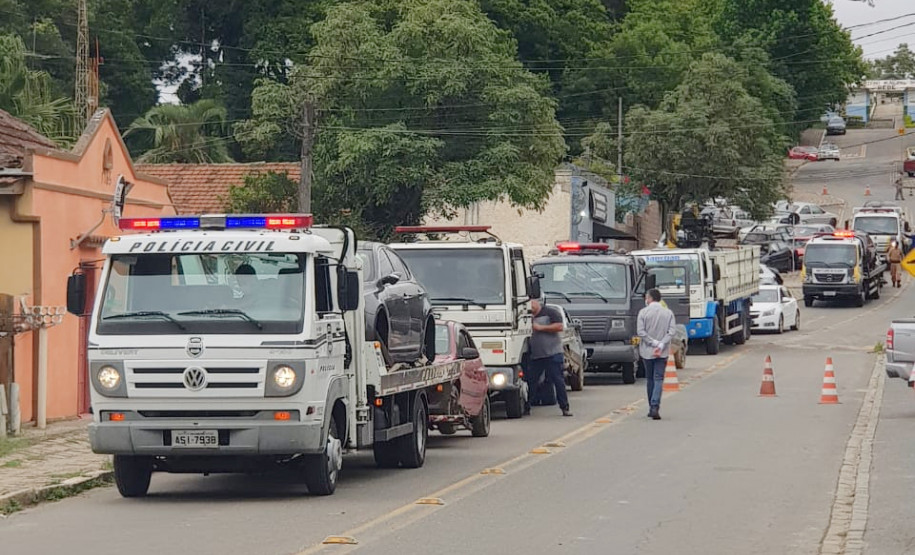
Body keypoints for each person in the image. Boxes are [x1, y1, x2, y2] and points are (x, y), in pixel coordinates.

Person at [524, 299, 572, 417]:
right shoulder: (526, 316)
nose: (531, 307)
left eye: (532, 304)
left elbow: (559, 326)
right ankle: (526, 407)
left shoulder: (551, 312)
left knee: (558, 380)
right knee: (531, 381)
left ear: (536, 302)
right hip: (537, 355)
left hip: (553, 353)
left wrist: (540, 328)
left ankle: (564, 407)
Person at [637, 288, 676, 420]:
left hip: (647, 351)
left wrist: (652, 342)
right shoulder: (668, 313)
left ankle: (651, 406)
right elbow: (671, 331)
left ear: (650, 298)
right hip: (663, 351)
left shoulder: (643, 313)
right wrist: (661, 344)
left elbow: (641, 332)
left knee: (650, 379)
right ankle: (655, 406)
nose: (645, 300)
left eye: (646, 298)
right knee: (658, 378)